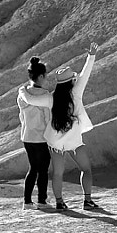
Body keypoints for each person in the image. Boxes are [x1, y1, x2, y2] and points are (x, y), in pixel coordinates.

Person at [45, 50, 102, 212]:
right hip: (74, 140)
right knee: (86, 169)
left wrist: (24, 91)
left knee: (58, 173)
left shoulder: (51, 97)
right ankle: (87, 201)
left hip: (56, 141)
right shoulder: (75, 93)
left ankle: (60, 202)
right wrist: (91, 56)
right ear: (71, 81)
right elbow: (85, 74)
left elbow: (33, 100)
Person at [17, 57, 56, 208]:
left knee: (32, 168)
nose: (46, 78)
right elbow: (48, 119)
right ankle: (41, 200)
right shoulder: (45, 95)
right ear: (40, 76)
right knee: (43, 170)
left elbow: (21, 116)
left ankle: (27, 201)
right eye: (45, 75)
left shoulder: (22, 94)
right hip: (41, 137)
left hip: (27, 136)